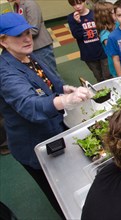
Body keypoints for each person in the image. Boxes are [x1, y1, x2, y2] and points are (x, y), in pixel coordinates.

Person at [0, 12, 92, 219]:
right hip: (33, 142)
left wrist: (63, 89)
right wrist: (65, 101)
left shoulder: (29, 56)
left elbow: (49, 82)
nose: (26, 39)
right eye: (18, 36)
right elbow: (29, 105)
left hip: (54, 130)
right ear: (3, 41)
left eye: (27, 33)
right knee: (59, 192)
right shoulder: (5, 73)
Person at [7, 0, 58, 75]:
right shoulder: (16, 6)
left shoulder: (30, 4)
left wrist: (15, 37)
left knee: (52, 74)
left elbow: (34, 29)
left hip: (41, 46)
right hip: (30, 47)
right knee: (43, 75)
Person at [67, 0, 111, 82]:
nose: (77, 7)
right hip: (88, 53)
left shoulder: (94, 14)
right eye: (74, 5)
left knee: (108, 75)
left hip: (102, 50)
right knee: (99, 77)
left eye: (80, 3)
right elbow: (77, 36)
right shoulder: (71, 18)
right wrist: (78, 23)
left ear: (85, 1)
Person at [94, 1, 118, 78]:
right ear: (106, 16)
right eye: (113, 13)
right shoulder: (105, 34)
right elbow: (113, 50)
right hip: (116, 64)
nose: (116, 14)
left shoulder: (117, 24)